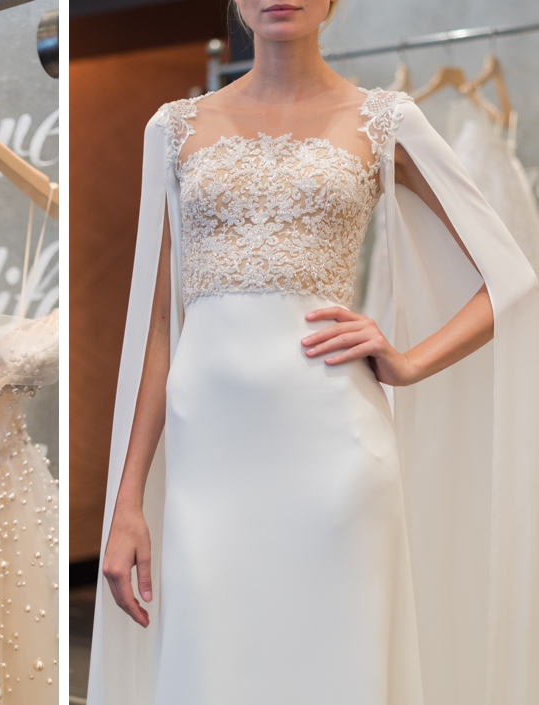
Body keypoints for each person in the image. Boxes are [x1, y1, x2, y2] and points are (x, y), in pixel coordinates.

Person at [87, 2, 539, 704]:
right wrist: (128, 503)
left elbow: (511, 278)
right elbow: (157, 330)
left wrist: (410, 361)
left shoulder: (385, 120)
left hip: (335, 452)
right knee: (212, 665)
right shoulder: (172, 128)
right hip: (208, 469)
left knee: (334, 667)